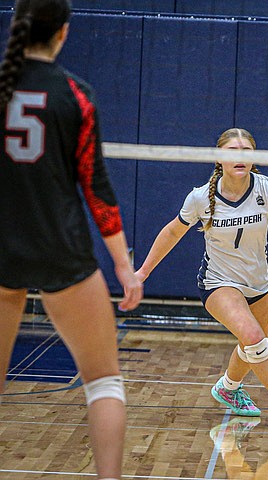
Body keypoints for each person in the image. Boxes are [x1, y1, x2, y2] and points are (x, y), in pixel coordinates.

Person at [0, 1, 143, 479]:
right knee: (104, 382)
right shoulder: (76, 95)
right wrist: (124, 266)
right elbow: (96, 189)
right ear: (62, 33)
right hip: (62, 249)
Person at [136, 127, 268, 429]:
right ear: (218, 157)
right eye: (233, 151)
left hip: (260, 285)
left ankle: (228, 388)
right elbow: (172, 232)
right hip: (218, 284)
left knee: (251, 346)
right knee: (253, 339)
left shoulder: (267, 187)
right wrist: (142, 272)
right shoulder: (200, 198)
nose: (240, 157)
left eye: (247, 152)